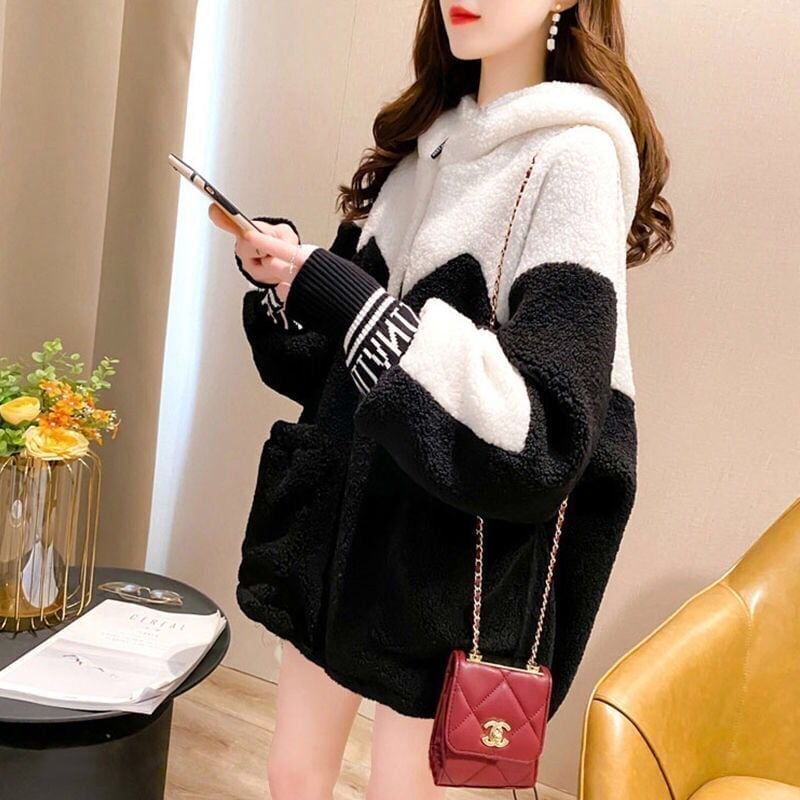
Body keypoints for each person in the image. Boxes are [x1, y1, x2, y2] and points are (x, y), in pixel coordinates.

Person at [211, 1, 673, 798]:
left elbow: (546, 431)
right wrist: (294, 278)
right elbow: (334, 373)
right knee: (291, 776)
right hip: (337, 548)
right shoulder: (421, 150)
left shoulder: (575, 158)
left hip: (444, 573)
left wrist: (350, 300)